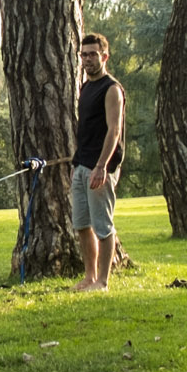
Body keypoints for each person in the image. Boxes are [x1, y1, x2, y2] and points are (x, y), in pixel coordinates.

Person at [72, 33, 126, 292]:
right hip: (81, 165)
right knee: (82, 225)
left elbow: (114, 130)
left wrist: (102, 166)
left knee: (103, 226)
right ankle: (89, 277)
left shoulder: (111, 88)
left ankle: (103, 282)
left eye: (93, 54)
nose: (88, 59)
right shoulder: (86, 87)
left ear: (104, 56)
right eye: (84, 55)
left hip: (100, 168)